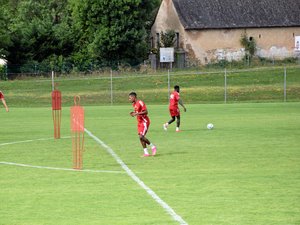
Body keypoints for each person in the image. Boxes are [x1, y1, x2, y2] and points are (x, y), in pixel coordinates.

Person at [129, 92, 157, 157]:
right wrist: (133, 113)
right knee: (140, 138)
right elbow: (138, 112)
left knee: (141, 136)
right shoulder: (134, 104)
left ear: (134, 97)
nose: (129, 99)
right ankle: (146, 153)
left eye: (130, 98)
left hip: (144, 122)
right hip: (139, 122)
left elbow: (146, 112)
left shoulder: (140, 102)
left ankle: (153, 147)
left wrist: (136, 114)